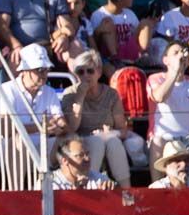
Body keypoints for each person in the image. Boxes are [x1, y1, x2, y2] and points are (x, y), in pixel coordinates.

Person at [59, 49, 143, 188]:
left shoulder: (111, 94)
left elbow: (122, 129)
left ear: (98, 72)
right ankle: (89, 188)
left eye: (90, 71)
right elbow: (72, 128)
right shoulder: (70, 94)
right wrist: (79, 97)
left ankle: (126, 192)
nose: (86, 75)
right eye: (81, 71)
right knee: (97, 142)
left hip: (109, 138)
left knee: (113, 142)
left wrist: (109, 134)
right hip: (80, 141)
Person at [0, 42, 66, 185]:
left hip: (41, 145)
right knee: (20, 140)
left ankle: (71, 190)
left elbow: (60, 120)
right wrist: (41, 127)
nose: (44, 74)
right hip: (6, 148)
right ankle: (17, 193)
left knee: (70, 139)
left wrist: (60, 126)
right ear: (24, 70)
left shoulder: (49, 92)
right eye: (39, 69)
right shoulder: (7, 90)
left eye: (46, 69)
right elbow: (6, 130)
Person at [147, 42, 189, 178]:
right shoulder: (155, 78)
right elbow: (159, 96)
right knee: (158, 141)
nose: (181, 56)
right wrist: (174, 71)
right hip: (162, 138)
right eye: (175, 53)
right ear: (165, 60)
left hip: (188, 139)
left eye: (183, 53)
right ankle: (156, 188)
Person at [91, 0, 154, 71]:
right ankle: (116, 60)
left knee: (146, 23)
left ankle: (141, 59)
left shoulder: (129, 13)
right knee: (108, 23)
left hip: (129, 51)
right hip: (110, 54)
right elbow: (92, 42)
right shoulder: (99, 15)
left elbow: (137, 34)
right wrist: (100, 30)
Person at [48, 135, 115, 189]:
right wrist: (76, 193)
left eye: (87, 154)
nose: (87, 158)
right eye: (80, 155)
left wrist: (106, 194)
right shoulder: (51, 184)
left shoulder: (100, 180)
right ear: (65, 160)